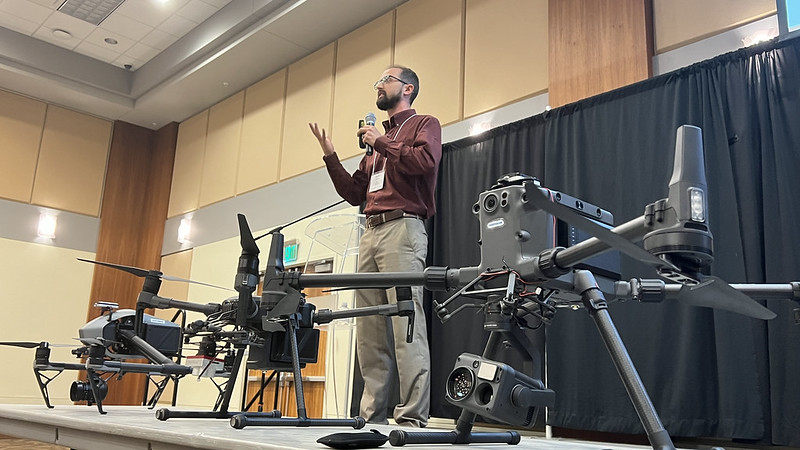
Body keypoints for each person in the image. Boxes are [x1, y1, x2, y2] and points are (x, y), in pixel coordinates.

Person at [309, 65, 442, 427]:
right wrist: (331, 156)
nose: (379, 86)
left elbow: (425, 161)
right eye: (378, 82)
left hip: (403, 229)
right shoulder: (375, 146)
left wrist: (379, 142)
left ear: (408, 88)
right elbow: (355, 193)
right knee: (368, 328)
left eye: (386, 79)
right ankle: (370, 414)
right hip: (369, 232)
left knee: (405, 323)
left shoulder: (423, 125)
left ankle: (412, 415)